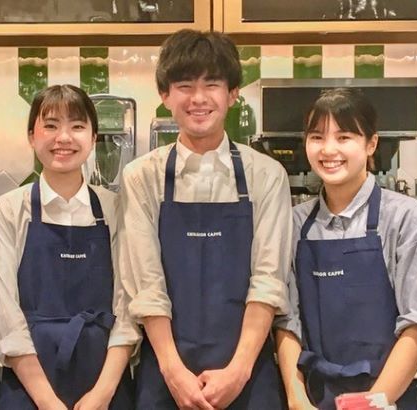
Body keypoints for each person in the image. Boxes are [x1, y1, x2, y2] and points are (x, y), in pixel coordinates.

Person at [118, 29, 292, 409]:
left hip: (248, 375)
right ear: (165, 96)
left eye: (212, 84)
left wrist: (238, 371)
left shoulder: (266, 175)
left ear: (232, 94)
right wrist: (173, 373)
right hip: (166, 375)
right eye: (185, 86)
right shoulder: (141, 176)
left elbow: (268, 280)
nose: (198, 98)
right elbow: (145, 284)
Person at [0, 84, 139, 409]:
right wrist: (47, 401)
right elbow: (4, 315)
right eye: (51, 126)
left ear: (93, 138)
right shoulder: (9, 210)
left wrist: (102, 394)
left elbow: (127, 308)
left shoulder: (115, 208)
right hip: (29, 386)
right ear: (32, 136)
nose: (64, 138)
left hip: (105, 384)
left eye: (77, 126)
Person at [275, 88, 417, 409]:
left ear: (371, 144)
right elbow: (287, 321)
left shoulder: (406, 218)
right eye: (317, 137)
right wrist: (297, 399)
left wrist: (371, 403)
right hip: (314, 396)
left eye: (344, 137)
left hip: (387, 398)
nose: (329, 149)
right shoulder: (294, 223)